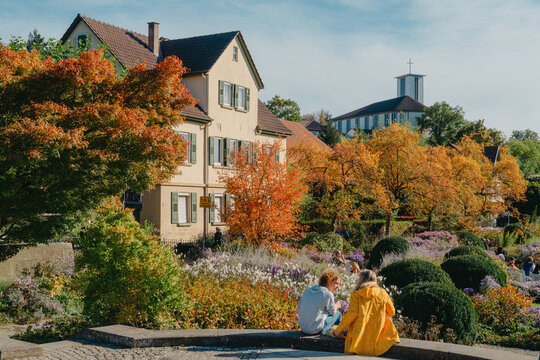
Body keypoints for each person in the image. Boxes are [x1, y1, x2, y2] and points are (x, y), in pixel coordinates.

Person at [333, 269, 399, 357]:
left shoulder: (356, 294)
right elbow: (392, 312)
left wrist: (338, 330)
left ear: (361, 280)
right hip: (377, 333)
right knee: (388, 318)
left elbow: (352, 314)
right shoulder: (383, 293)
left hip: (359, 334)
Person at [297, 269, 342, 335]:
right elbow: (333, 312)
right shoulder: (327, 294)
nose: (338, 287)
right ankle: (340, 333)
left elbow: (298, 308)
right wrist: (337, 305)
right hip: (316, 330)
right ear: (329, 281)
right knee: (338, 314)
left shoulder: (307, 291)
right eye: (336, 283)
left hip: (303, 328)